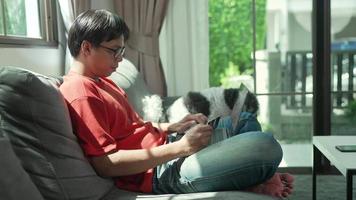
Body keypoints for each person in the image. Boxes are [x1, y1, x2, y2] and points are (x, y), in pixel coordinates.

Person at [59, 9, 294, 198]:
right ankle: (258, 179)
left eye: (122, 50)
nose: (120, 58)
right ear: (87, 47)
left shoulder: (104, 82)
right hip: (158, 173)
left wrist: (174, 127)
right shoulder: (80, 91)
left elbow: (134, 127)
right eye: (114, 51)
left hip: (168, 147)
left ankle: (257, 180)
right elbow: (106, 164)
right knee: (265, 145)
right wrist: (181, 148)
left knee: (242, 119)